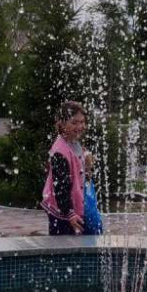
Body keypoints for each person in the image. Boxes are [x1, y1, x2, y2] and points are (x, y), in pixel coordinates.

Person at [42, 101, 88, 235]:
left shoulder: (73, 142)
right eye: (74, 123)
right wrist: (69, 213)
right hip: (62, 212)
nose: (79, 126)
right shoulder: (60, 152)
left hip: (71, 207)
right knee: (62, 243)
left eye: (82, 122)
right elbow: (60, 187)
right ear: (62, 124)